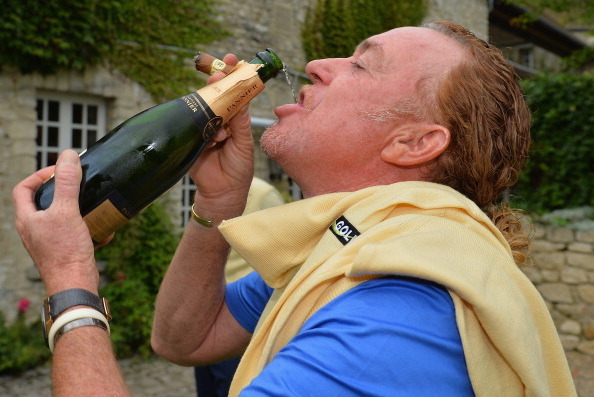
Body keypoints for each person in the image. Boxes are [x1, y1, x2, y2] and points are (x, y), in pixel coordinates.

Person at [13, 21, 577, 396]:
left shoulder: (399, 312)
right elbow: (185, 339)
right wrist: (219, 200)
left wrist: (69, 280)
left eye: (361, 65)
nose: (316, 66)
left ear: (412, 144)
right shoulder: (342, 247)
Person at [194, 177, 284, 397]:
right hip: (207, 307)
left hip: (239, 312)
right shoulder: (209, 192)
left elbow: (284, 253)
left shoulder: (263, 194)